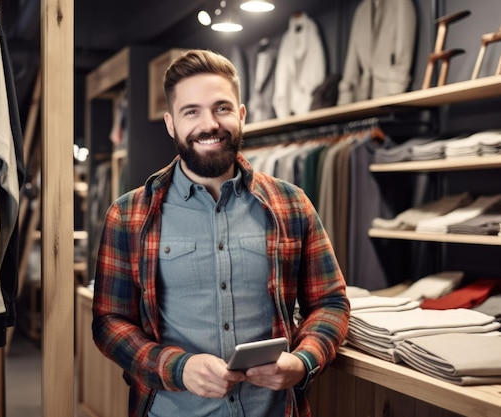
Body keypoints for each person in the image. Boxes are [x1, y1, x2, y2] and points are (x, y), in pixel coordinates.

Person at [92, 49, 350, 417]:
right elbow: (108, 323)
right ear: (171, 124)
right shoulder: (129, 213)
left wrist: (304, 361)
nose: (209, 124)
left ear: (241, 115)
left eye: (222, 108)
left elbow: (331, 303)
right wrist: (176, 368)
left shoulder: (292, 204)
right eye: (191, 111)